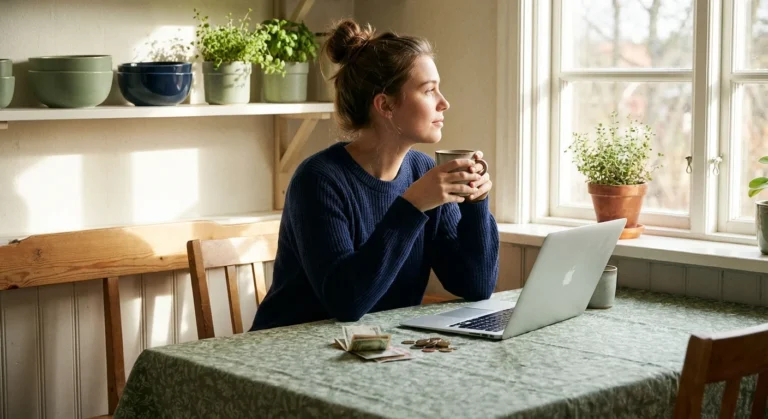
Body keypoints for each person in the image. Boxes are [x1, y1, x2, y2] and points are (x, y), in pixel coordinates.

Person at [250, 19, 500, 331]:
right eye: (429, 90)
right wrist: (412, 206)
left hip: (375, 348)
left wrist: (476, 204)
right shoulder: (318, 180)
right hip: (285, 355)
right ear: (385, 105)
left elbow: (476, 285)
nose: (444, 103)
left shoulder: (423, 173)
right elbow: (346, 302)